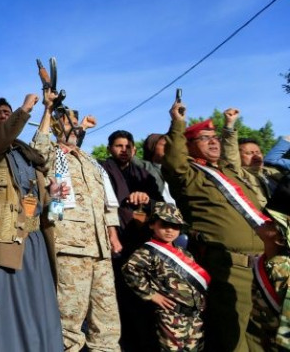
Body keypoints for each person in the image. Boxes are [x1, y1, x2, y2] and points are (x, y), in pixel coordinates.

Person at [162, 99, 266, 351]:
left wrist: (229, 127)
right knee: (235, 337)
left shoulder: (228, 172)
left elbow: (231, 155)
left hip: (263, 264)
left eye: (214, 136)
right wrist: (178, 123)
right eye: (203, 138)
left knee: (263, 334)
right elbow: (175, 161)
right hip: (230, 266)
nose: (213, 141)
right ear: (187, 147)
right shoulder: (188, 177)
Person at [0, 93, 63, 352]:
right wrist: (24, 111)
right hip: (1, 244)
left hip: (33, 243)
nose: (3, 115)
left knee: (39, 307)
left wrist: (51, 193)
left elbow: (36, 194)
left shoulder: (26, 154)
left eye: (6, 112)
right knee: (2, 316)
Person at [33, 103, 122, 352]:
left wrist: (112, 233)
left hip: (100, 249)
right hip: (71, 247)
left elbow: (107, 201)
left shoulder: (90, 161)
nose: (72, 126)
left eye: (74, 121)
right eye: (67, 122)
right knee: (68, 320)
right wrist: (49, 112)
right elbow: (39, 147)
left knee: (107, 321)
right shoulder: (50, 153)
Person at [100, 130, 163, 351]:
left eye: (127, 147)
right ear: (110, 149)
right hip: (114, 244)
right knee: (120, 300)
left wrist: (147, 200)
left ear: (134, 150)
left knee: (145, 300)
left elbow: (161, 205)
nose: (123, 150)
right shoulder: (102, 170)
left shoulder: (143, 174)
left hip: (142, 243)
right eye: (118, 146)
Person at [122, 202, 210, 351]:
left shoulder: (185, 253)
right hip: (170, 317)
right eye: (164, 225)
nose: (170, 230)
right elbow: (130, 270)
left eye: (175, 226)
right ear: (152, 225)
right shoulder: (148, 251)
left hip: (194, 317)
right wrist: (151, 295)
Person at [250, 189, 290, 351]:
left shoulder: (282, 267)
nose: (262, 220)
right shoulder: (266, 261)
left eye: (269, 220)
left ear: (281, 236)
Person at [221, 108, 281, 201]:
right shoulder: (240, 175)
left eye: (258, 152)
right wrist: (229, 126)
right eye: (249, 153)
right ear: (238, 157)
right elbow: (230, 155)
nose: (256, 156)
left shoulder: (273, 172)